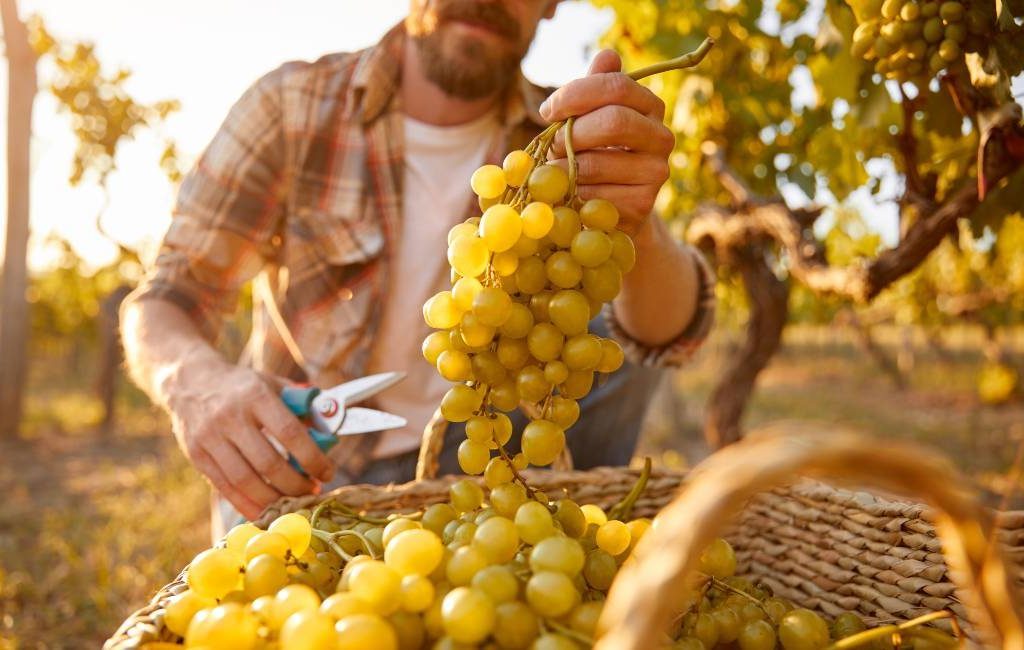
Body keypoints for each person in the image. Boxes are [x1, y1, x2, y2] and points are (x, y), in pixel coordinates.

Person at [120, 0, 715, 536]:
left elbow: (669, 337)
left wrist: (637, 227)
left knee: (604, 331)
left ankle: (573, 522)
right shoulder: (291, 106)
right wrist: (194, 382)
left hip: (495, 466)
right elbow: (169, 295)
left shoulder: (573, 142)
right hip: (309, 463)